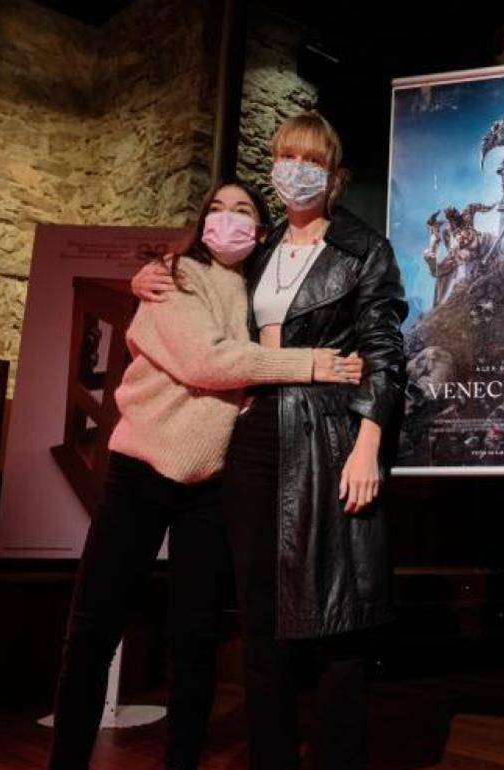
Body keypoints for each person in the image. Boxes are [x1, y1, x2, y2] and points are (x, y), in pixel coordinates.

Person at [49, 178, 357, 770]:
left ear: (261, 232)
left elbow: (246, 360)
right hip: (140, 469)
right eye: (217, 208)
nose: (227, 219)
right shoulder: (175, 275)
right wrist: (312, 365)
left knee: (194, 640)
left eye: (242, 210)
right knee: (93, 630)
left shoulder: (261, 291)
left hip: (211, 483)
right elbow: (206, 361)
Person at [133, 110, 407, 770]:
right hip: (254, 433)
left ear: (334, 175)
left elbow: (384, 349)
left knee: (338, 617)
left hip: (332, 434)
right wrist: (141, 278)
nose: (296, 170)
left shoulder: (364, 248)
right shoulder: (257, 248)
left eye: (311, 160)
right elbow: (193, 283)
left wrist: (368, 444)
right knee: (261, 619)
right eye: (287, 156)